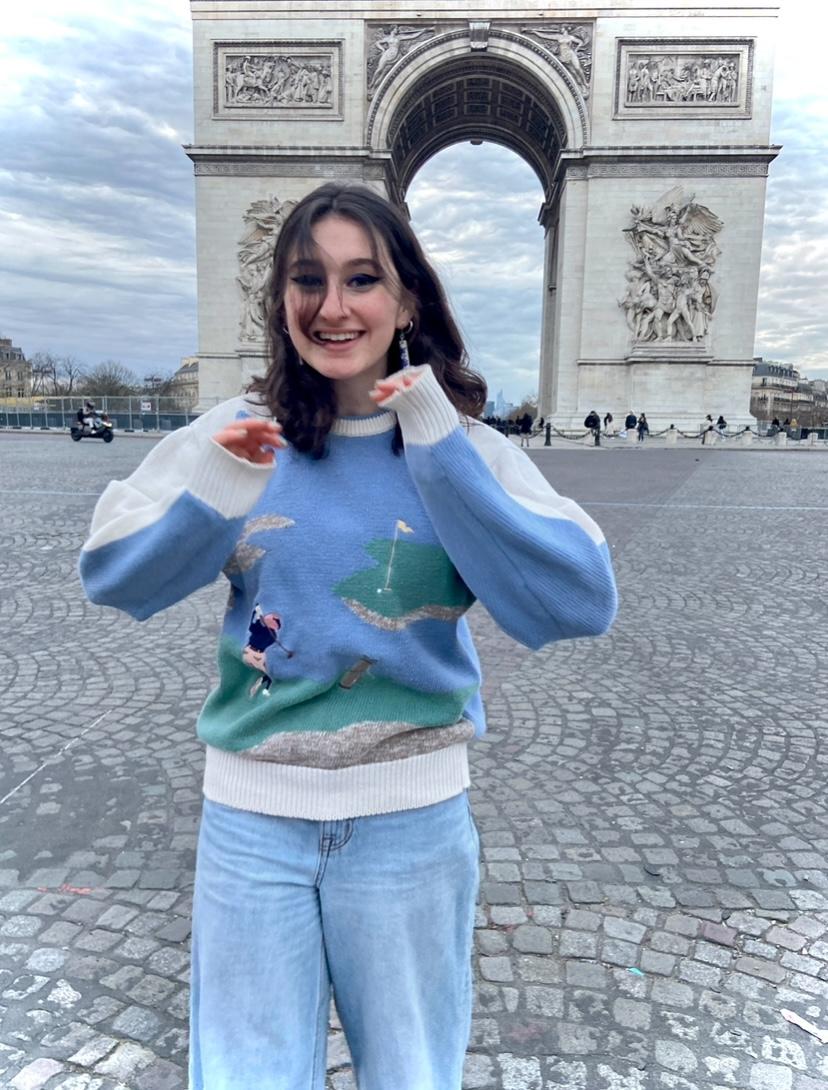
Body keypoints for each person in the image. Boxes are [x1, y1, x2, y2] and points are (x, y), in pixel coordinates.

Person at [79, 183, 617, 1090]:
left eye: (362, 278)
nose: (333, 307)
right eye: (308, 279)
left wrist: (439, 448)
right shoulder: (234, 433)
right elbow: (116, 579)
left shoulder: (467, 448)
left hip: (411, 825)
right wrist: (216, 490)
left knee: (413, 1076)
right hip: (252, 824)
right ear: (279, 300)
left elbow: (578, 602)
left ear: (407, 298)